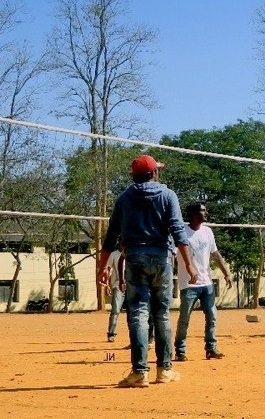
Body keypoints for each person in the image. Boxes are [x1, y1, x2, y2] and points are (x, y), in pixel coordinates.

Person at [99, 154, 198, 388]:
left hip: (134, 258)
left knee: (138, 314)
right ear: (154, 173)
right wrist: (189, 264)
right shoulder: (168, 195)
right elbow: (178, 232)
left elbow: (111, 236)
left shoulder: (124, 198)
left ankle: (139, 372)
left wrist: (102, 268)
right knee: (161, 313)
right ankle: (164, 370)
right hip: (161, 258)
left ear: (134, 176)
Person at [174, 203, 233, 361]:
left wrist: (226, 273)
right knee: (184, 318)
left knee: (212, 315)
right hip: (189, 284)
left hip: (206, 283)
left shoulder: (207, 231)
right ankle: (180, 350)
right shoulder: (181, 232)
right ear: (193, 213)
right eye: (203, 210)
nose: (206, 213)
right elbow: (171, 255)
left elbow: (215, 254)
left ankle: (211, 348)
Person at [104, 243, 126, 342]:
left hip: (132, 286)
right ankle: (111, 333)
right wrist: (107, 285)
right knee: (115, 310)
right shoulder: (114, 254)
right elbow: (108, 269)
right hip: (117, 286)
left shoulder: (133, 252)